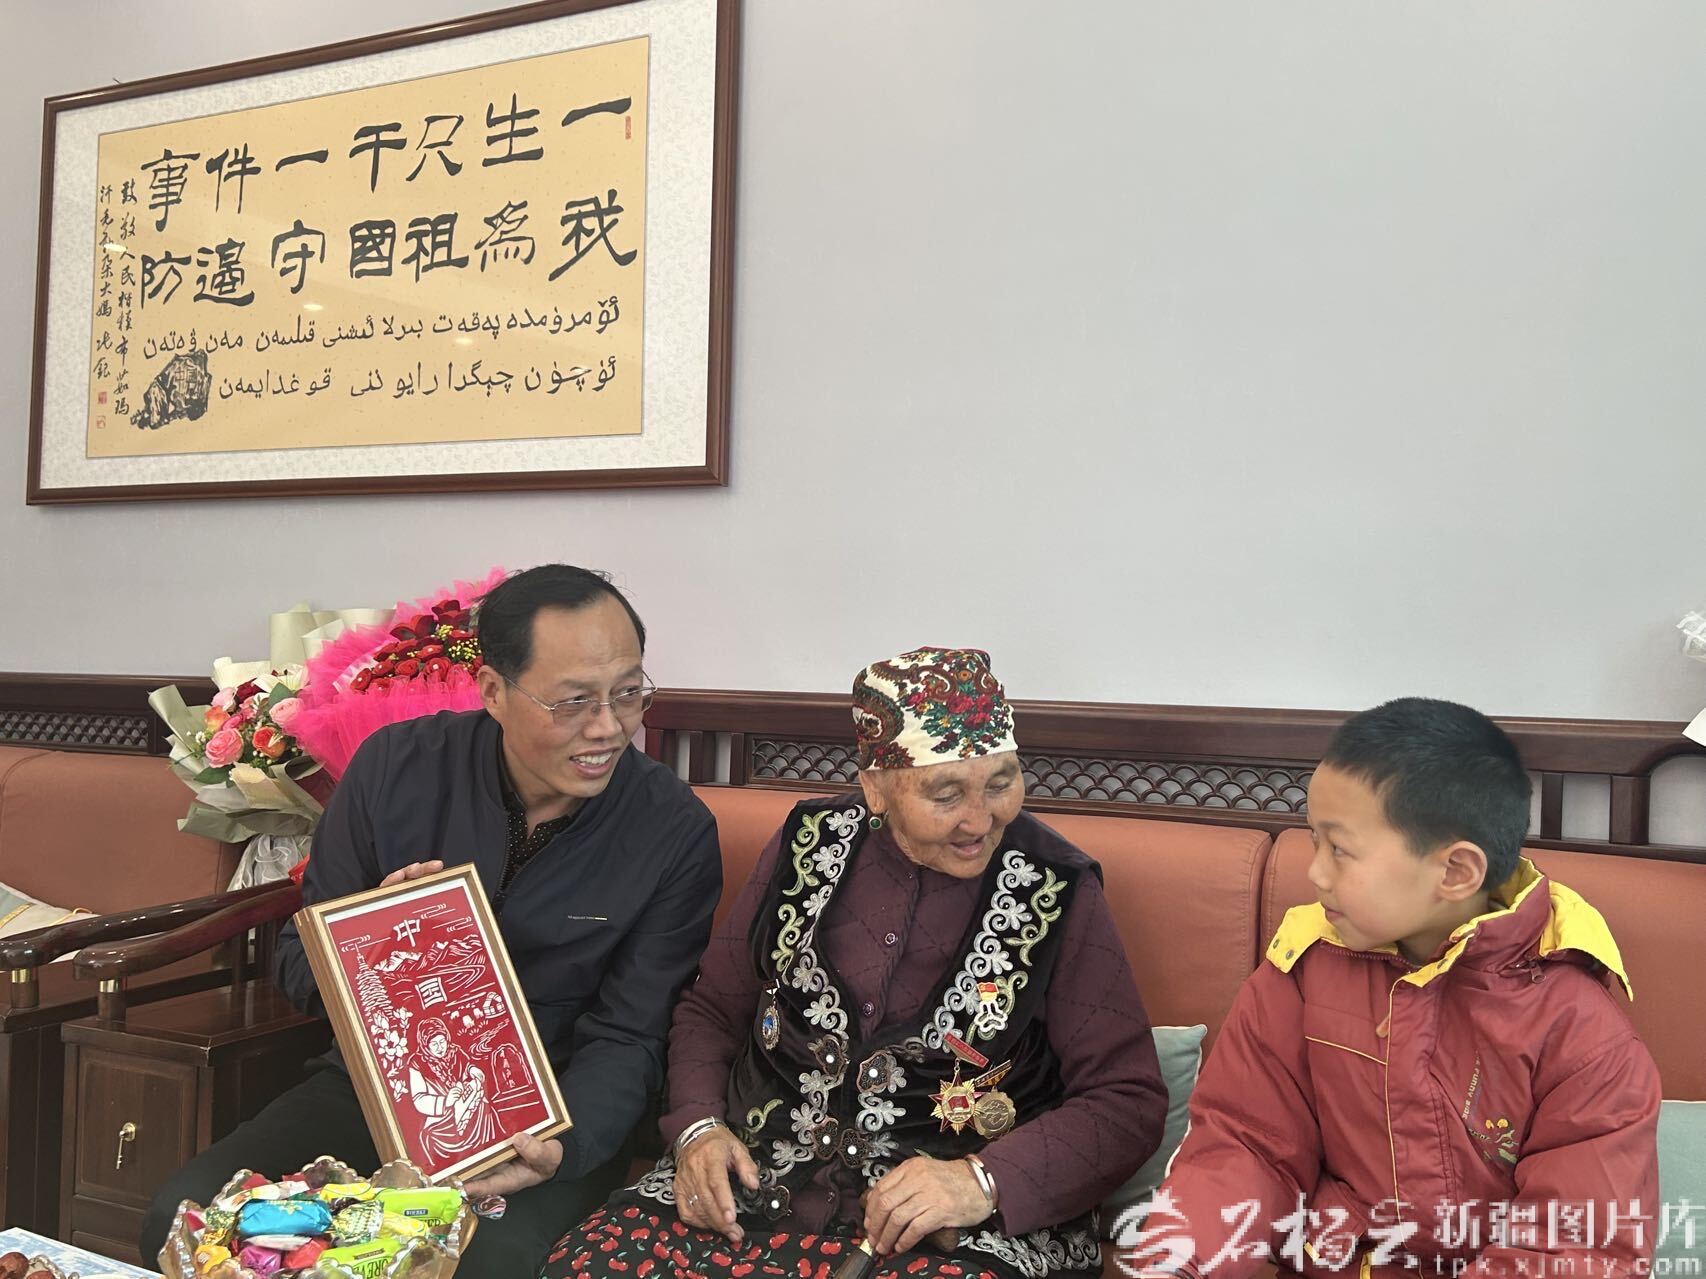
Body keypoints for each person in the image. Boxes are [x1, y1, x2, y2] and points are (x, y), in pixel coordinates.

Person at [140, 564, 724, 1275]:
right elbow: (296, 957)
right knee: (185, 1218)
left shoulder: (674, 830)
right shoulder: (395, 768)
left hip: (545, 1119)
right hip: (371, 1094)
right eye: (574, 701)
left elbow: (632, 1033)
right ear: (494, 691)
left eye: (628, 693)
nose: (608, 727)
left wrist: (561, 1147)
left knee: (470, 1269)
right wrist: (369, 945)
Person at [540, 648, 1169, 1279]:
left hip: (947, 1235)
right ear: (876, 786)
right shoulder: (807, 843)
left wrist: (983, 1180)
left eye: (1002, 784)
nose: (981, 820)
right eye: (946, 794)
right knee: (588, 1268)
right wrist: (697, 1131)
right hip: (752, 1193)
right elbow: (713, 1010)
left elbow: (1126, 1098)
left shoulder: (1055, 887)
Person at [1127, 697, 1661, 1279]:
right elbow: (1244, 1146)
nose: (1315, 873)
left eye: (1340, 849)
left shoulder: (1579, 1030)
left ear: (1455, 872)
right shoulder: (1302, 972)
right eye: (1314, 841)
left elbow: (1576, 1247)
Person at [409, 1016, 499, 1164]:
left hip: (466, 1104)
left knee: (486, 1108)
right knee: (431, 1136)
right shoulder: (417, 1064)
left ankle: (494, 1154)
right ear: (425, 1045)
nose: (440, 1047)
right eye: (434, 1044)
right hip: (441, 1117)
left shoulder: (455, 1052)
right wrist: (445, 1101)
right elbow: (419, 1098)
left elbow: (466, 1066)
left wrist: (472, 1070)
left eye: (442, 1041)